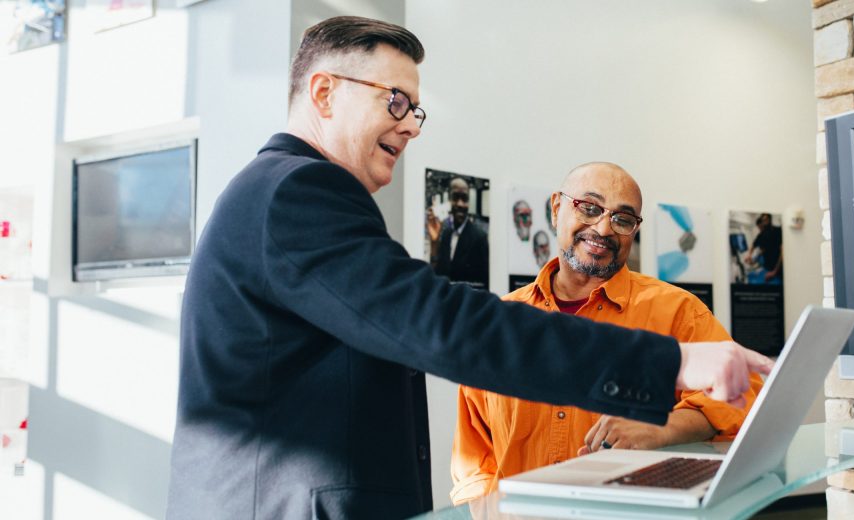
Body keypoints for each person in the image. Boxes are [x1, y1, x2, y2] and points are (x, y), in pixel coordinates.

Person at [166, 16, 773, 520]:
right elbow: (439, 324)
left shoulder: (282, 193)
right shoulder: (298, 192)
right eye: (395, 100)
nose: (409, 123)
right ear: (324, 92)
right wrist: (672, 362)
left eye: (416, 110)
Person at [450, 163, 764, 504]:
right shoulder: (502, 322)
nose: (603, 228)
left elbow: (744, 396)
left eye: (622, 219)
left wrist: (661, 427)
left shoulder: (678, 311)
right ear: (556, 209)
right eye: (589, 207)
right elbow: (474, 457)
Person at [426, 176, 489, 289]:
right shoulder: (446, 234)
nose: (460, 204)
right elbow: (437, 276)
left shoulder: (479, 238)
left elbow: (483, 286)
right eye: (455, 198)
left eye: (464, 199)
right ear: (449, 201)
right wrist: (434, 243)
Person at [746, 212, 783, 283]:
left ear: (770, 219)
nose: (764, 223)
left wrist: (774, 272)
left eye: (766, 220)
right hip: (767, 269)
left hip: (777, 270)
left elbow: (782, 252)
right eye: (763, 220)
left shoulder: (778, 231)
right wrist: (749, 255)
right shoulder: (762, 234)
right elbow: (754, 245)